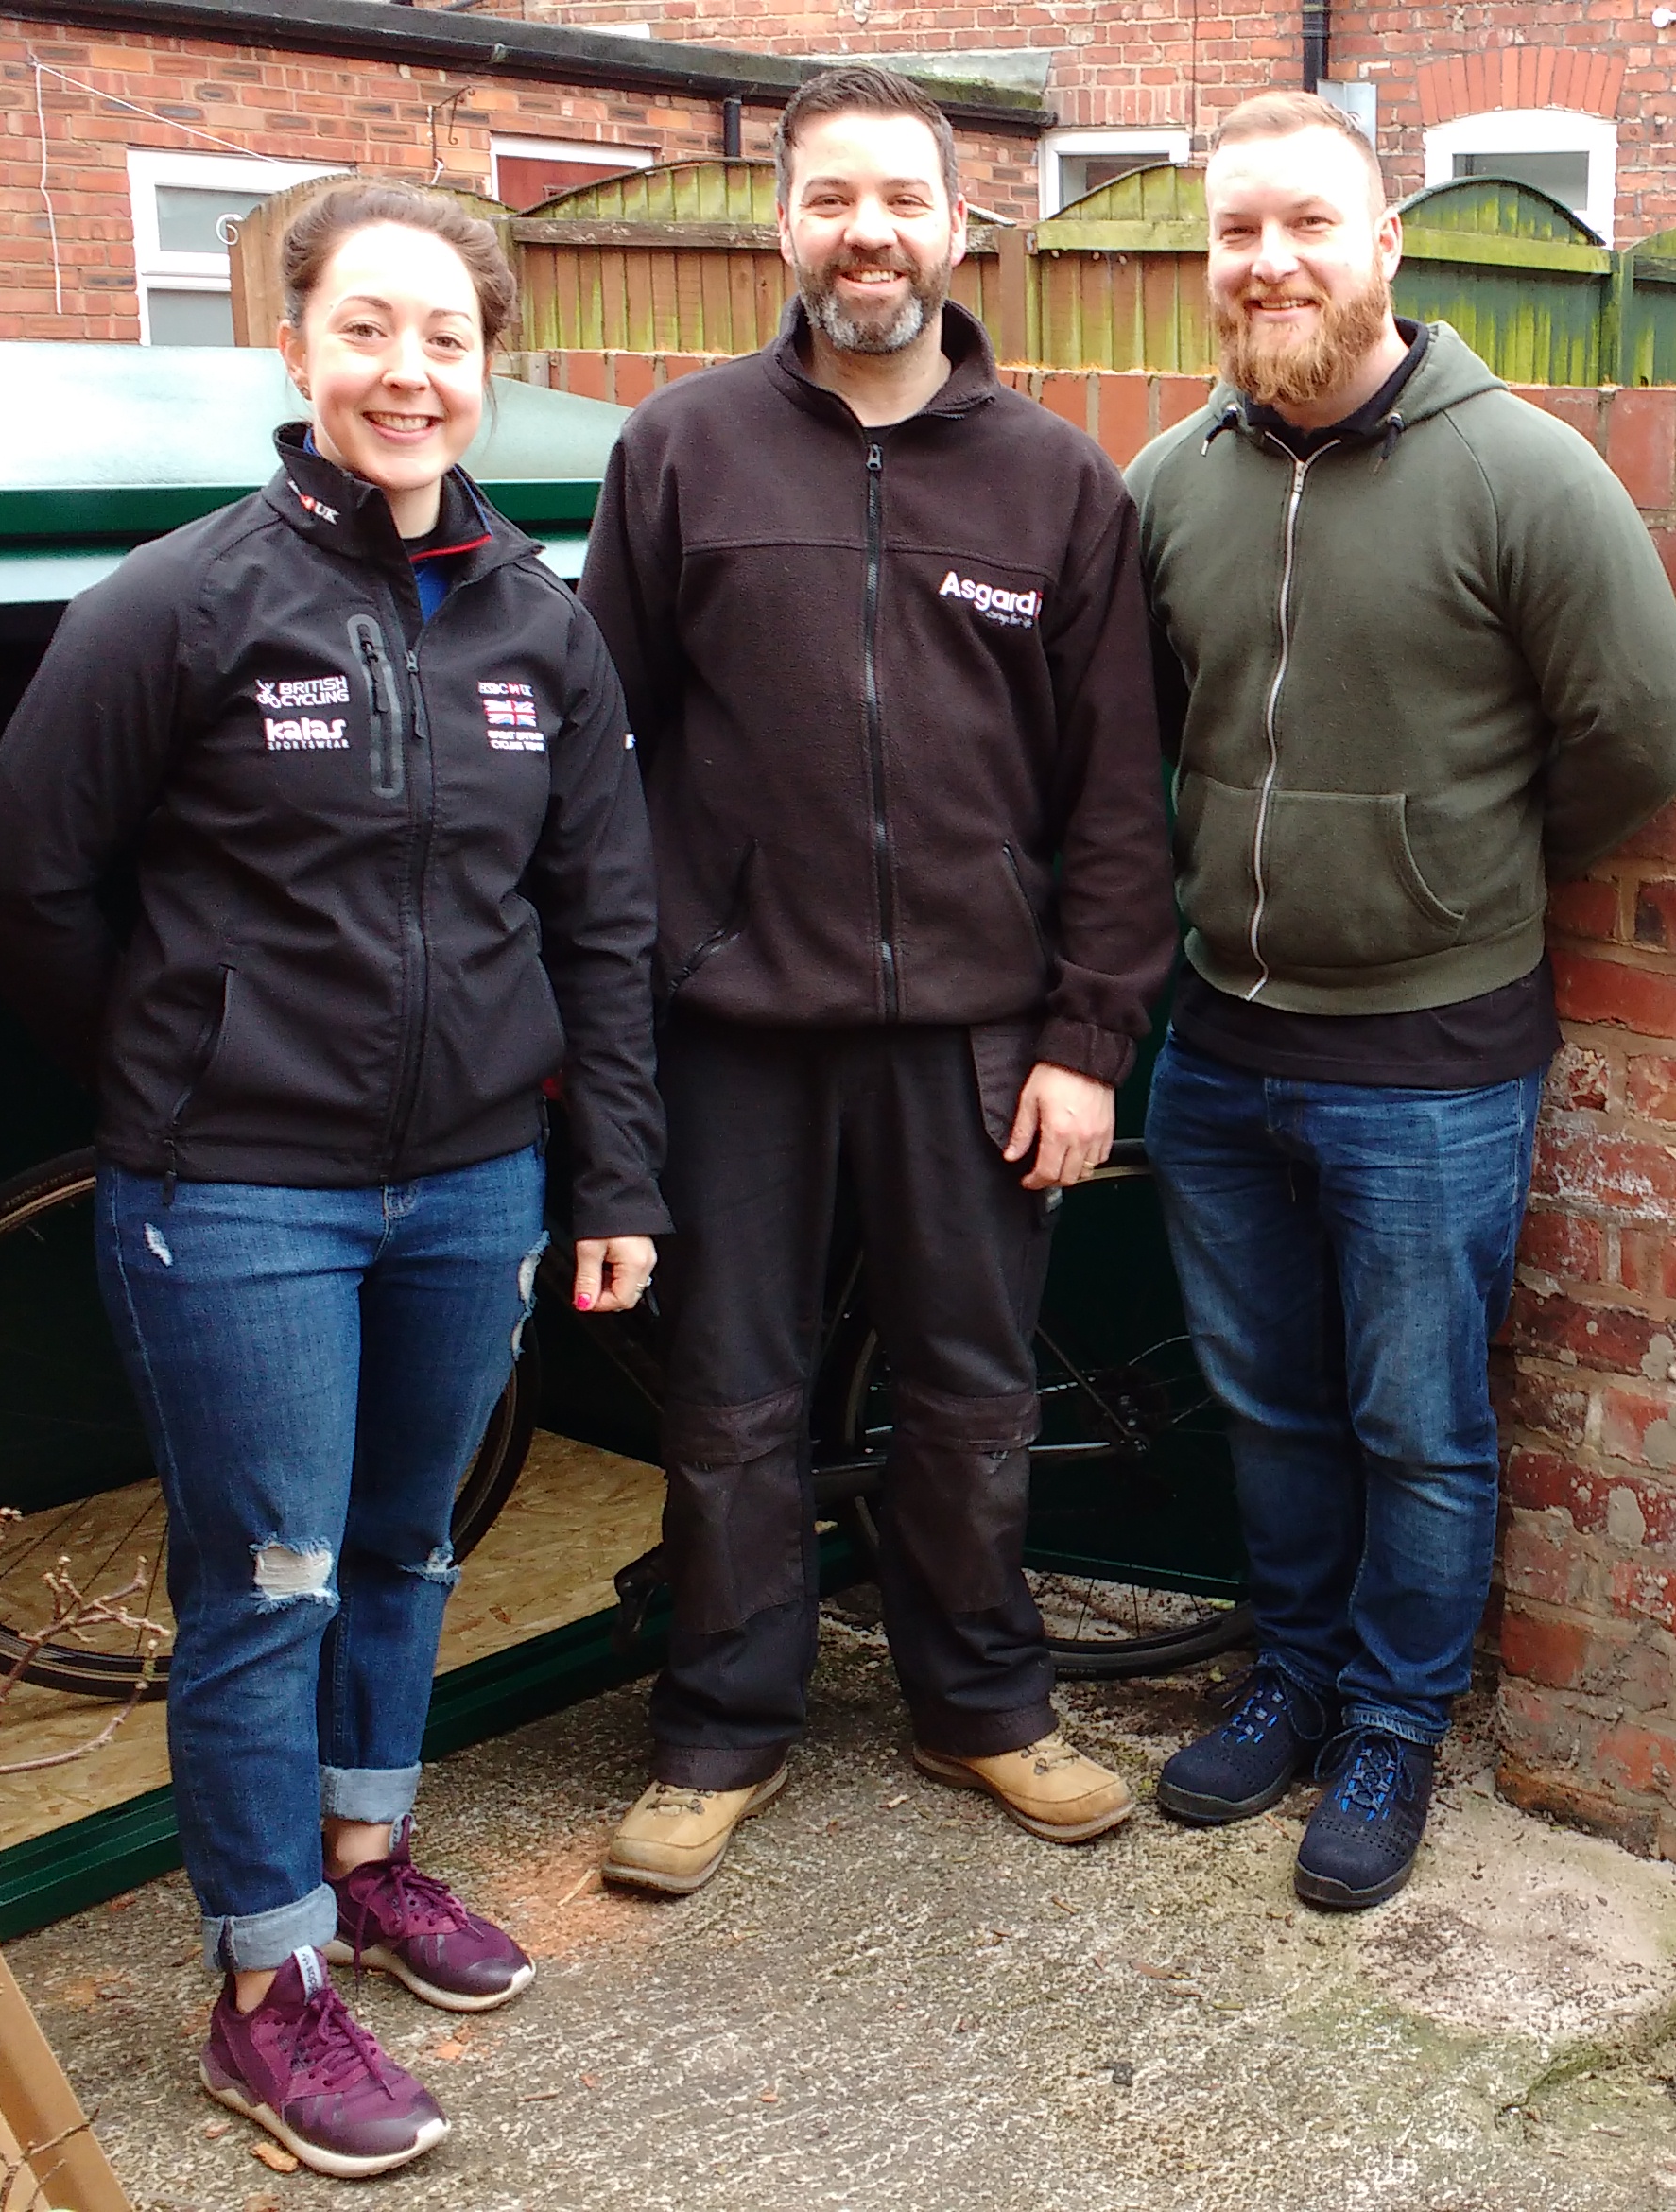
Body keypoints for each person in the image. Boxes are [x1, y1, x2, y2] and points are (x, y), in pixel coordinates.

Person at [0, 181, 666, 2179]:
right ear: (295, 349)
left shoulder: (546, 626)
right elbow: (23, 880)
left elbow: (605, 922)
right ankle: (262, 1988)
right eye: (366, 328)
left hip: (472, 1188)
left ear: (490, 362)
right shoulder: (178, 606)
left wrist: (609, 1176)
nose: (406, 370)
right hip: (239, 1197)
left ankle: (370, 1860)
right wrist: (178, 1069)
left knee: (412, 1545)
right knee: (262, 1581)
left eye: (443, 334)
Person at [577, 65, 1175, 1892]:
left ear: (959, 224)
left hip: (978, 1039)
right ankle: (721, 1728)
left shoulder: (1056, 479)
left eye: (903, 199)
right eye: (833, 198)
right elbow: (602, 767)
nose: (870, 233)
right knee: (735, 1399)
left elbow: (1116, 797)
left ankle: (981, 1705)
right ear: (784, 226)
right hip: (736, 1032)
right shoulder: (679, 452)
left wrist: (1084, 1041)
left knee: (973, 1392)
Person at [1124, 93, 1676, 1910]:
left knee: (1416, 1419)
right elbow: (1126, 740)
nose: (1267, 263)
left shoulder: (1520, 473)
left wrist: (1460, 877)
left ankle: (1392, 1721)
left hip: (1431, 1058)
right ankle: (1291, 1673)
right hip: (1219, 1042)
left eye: (1307, 224)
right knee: (1269, 1405)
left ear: (1388, 248)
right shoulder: (1169, 483)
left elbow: (1640, 739)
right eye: (1236, 235)